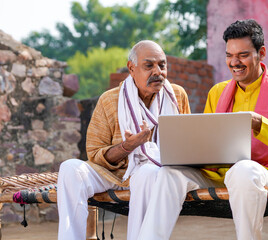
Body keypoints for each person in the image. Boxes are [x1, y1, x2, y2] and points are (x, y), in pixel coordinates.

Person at [134, 19, 268, 240]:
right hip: (218, 174)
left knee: (243, 170)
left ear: (262, 53)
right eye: (229, 55)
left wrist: (260, 125)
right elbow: (208, 145)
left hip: (267, 173)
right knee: (170, 173)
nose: (234, 62)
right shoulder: (217, 92)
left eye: (243, 55)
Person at [56, 40, 191, 240]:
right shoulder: (109, 100)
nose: (158, 72)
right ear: (131, 68)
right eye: (149, 65)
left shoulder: (176, 96)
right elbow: (95, 154)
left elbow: (187, 144)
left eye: (162, 65)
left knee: (147, 172)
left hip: (152, 173)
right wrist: (128, 146)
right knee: (70, 168)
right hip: (111, 173)